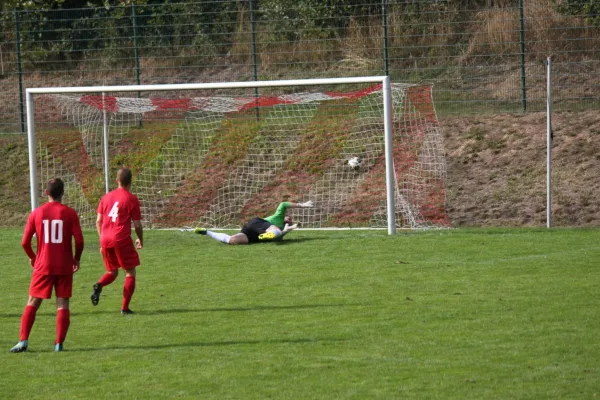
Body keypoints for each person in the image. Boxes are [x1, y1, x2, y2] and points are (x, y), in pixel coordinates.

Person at [11, 178, 84, 353]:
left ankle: (23, 341)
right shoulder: (70, 213)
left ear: (46, 193)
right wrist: (76, 258)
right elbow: (80, 241)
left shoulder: (37, 213)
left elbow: (24, 242)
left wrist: (33, 257)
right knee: (63, 304)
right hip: (64, 265)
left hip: (43, 264)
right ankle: (59, 344)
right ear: (63, 193)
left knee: (33, 302)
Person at [91, 168, 143, 315]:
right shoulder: (131, 199)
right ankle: (125, 308)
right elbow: (137, 224)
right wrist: (140, 239)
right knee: (130, 272)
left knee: (112, 271)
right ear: (130, 182)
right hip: (121, 238)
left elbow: (98, 221)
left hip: (105, 239)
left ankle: (99, 285)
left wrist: (102, 240)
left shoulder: (105, 197)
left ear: (117, 181)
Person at [186, 201, 313, 245]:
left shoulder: (280, 227)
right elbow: (283, 204)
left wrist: (287, 230)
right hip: (259, 223)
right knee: (276, 232)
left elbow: (277, 239)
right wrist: (302, 205)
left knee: (233, 240)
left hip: (254, 233)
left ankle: (205, 231)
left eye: (291, 220)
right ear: (285, 216)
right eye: (289, 218)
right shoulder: (278, 216)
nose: (290, 219)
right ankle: (264, 235)